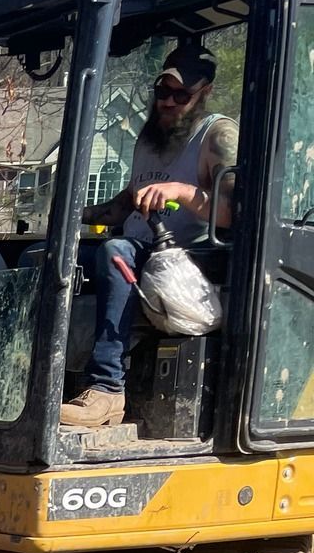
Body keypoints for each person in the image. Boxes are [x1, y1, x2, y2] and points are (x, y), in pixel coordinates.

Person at [61, 45, 238, 430]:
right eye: (162, 92)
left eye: (180, 94)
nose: (168, 102)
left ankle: (107, 388)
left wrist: (181, 192)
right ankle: (41, 378)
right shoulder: (150, 139)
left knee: (115, 252)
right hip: (140, 248)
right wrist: (73, 217)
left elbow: (236, 213)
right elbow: (126, 204)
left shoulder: (216, 135)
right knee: (48, 254)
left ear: (204, 91)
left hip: (187, 263)